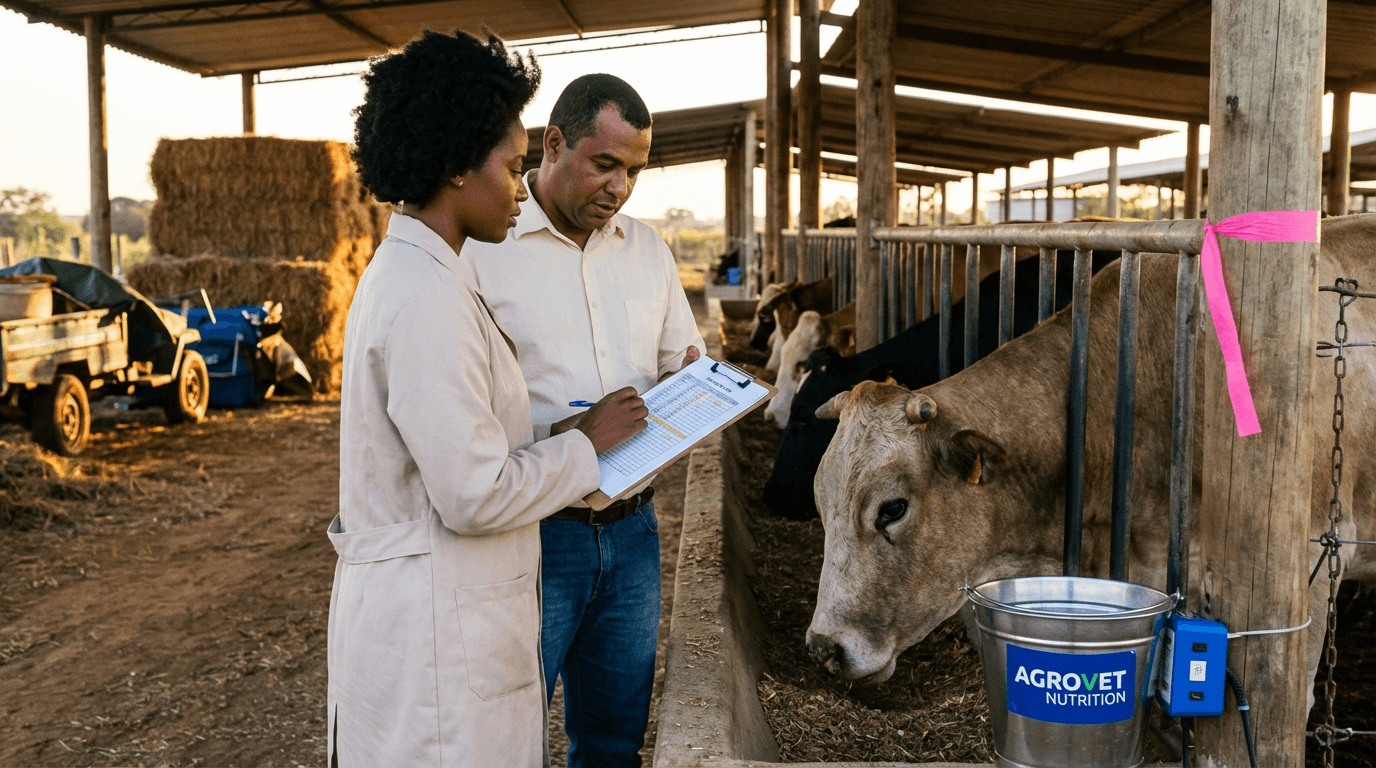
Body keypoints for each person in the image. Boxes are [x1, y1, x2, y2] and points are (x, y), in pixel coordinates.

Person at [326, 32, 649, 768]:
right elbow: (473, 496)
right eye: (511, 166)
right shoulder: (427, 298)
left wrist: (558, 437)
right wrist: (586, 445)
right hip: (437, 644)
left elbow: (462, 446)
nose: (519, 186)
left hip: (439, 619)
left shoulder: (426, 274)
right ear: (454, 168)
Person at [464, 74, 706, 767]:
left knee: (612, 741)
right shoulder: (482, 253)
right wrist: (565, 442)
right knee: (505, 736)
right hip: (531, 539)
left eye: (633, 170)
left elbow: (678, 364)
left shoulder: (648, 251)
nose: (621, 187)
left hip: (633, 534)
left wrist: (693, 385)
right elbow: (467, 423)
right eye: (605, 164)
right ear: (554, 143)